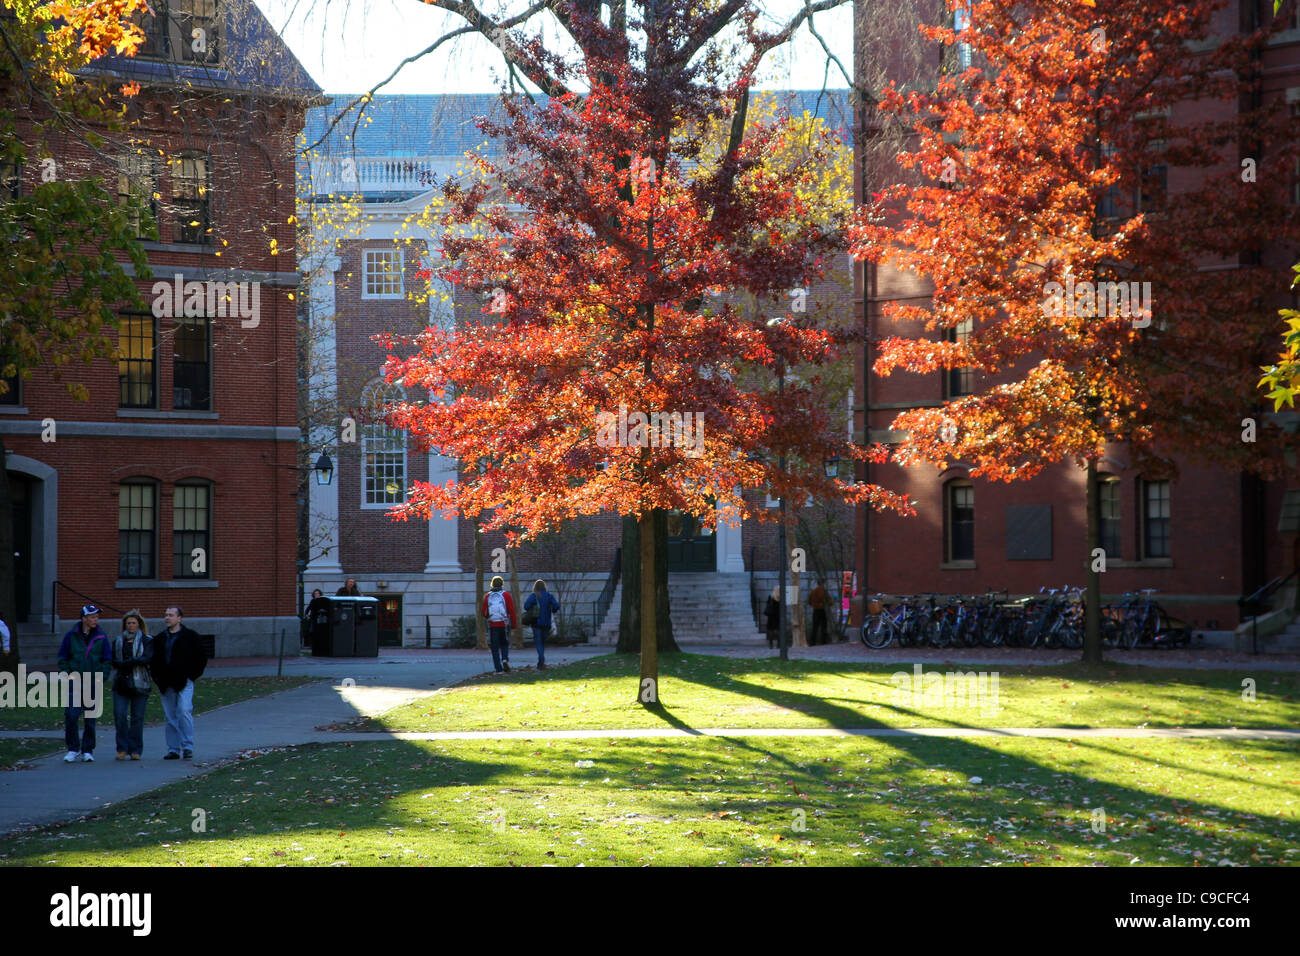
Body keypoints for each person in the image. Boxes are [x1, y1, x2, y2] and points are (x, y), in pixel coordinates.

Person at [151, 605, 207, 760]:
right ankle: (173, 748)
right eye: (166, 614)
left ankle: (187, 746)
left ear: (179, 618)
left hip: (184, 679)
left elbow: (201, 658)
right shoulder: (160, 638)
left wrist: (192, 675)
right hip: (166, 681)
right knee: (170, 716)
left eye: (171, 615)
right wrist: (157, 677)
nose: (167, 618)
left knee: (184, 710)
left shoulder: (190, 637)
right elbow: (154, 660)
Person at [57, 604, 112, 763]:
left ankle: (88, 749)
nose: (96, 620)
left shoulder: (101, 636)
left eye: (97, 617)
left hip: (93, 681)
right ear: (84, 619)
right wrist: (69, 674)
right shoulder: (71, 635)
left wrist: (102, 676)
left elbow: (107, 659)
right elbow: (63, 657)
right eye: (93, 617)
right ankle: (73, 748)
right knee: (71, 715)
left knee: (90, 717)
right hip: (76, 681)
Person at [111, 610, 153, 760]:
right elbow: (113, 659)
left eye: (133, 623)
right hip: (121, 683)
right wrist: (122, 664)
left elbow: (147, 658)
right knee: (120, 714)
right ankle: (122, 748)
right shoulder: (118, 641)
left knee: (137, 717)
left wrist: (130, 662)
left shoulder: (147, 640)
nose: (131, 626)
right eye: (128, 623)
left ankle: (135, 750)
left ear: (139, 624)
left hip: (140, 682)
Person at [480, 575, 516, 673]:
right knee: (504, 643)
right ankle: (504, 659)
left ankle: (498, 669)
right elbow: (511, 610)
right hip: (504, 624)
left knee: (495, 648)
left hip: (493, 625)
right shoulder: (506, 595)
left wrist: (489, 618)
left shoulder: (488, 596)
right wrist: (514, 624)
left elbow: (483, 612)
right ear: (502, 584)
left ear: (492, 584)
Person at [522, 579, 560, 670]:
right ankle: (541, 662)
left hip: (536, 622)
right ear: (544, 587)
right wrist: (552, 610)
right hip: (546, 623)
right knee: (542, 642)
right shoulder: (549, 596)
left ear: (535, 587)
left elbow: (526, 606)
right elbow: (556, 606)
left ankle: (541, 661)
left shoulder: (534, 596)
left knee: (538, 642)